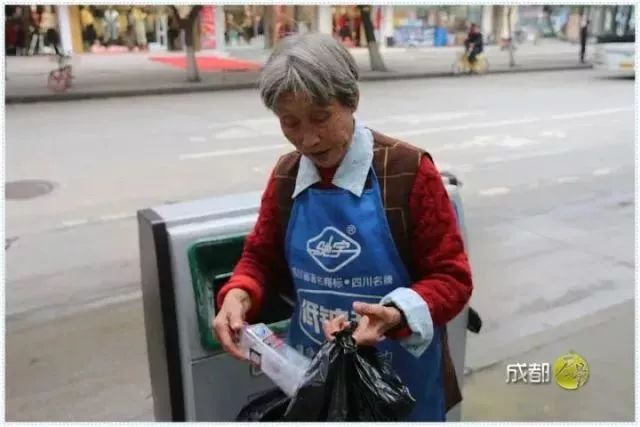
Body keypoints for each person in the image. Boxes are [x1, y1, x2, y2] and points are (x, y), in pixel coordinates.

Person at [212, 33, 473, 421]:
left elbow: (452, 278)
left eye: (321, 117)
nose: (308, 138)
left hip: (398, 383)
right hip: (313, 376)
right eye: (290, 123)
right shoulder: (286, 177)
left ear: (351, 100)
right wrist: (239, 295)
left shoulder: (407, 172)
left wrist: (396, 315)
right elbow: (261, 257)